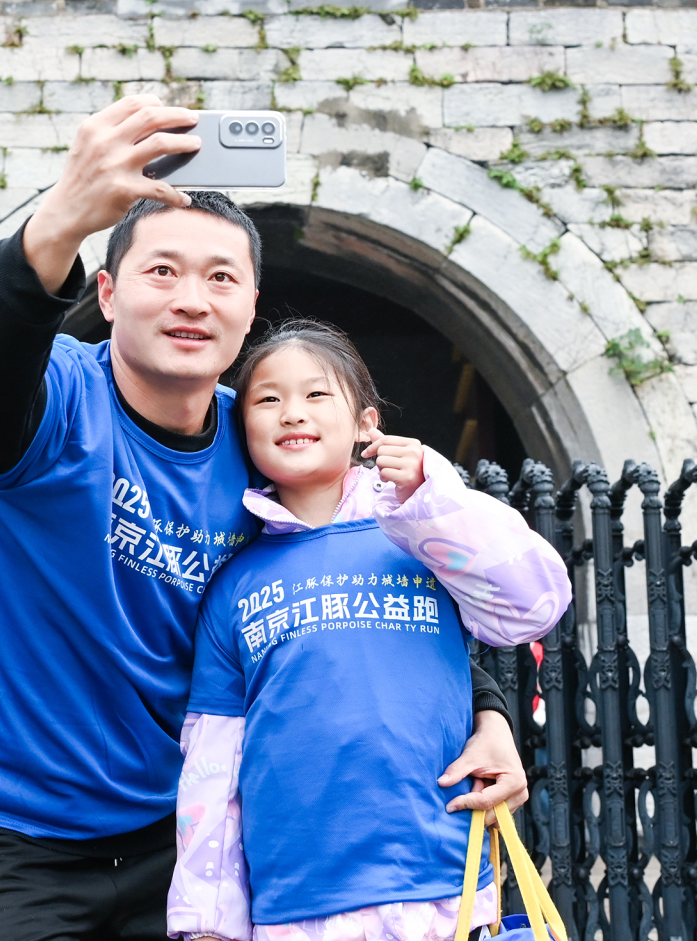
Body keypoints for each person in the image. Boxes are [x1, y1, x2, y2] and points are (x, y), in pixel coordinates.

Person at [0, 95, 535, 940]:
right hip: (9, 825)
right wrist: (61, 218)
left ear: (251, 304)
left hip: (177, 835)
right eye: (162, 271)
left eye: (221, 278)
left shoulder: (264, 444)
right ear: (107, 292)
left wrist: (490, 712)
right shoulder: (56, 398)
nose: (193, 299)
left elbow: (367, 573)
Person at [168, 321, 571, 941]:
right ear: (243, 428)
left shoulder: (418, 534)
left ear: (366, 423)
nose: (292, 412)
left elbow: (533, 605)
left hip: (442, 885)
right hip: (296, 903)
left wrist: (435, 496)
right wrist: (207, 921)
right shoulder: (232, 584)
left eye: (316, 394)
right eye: (268, 399)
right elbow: (213, 759)